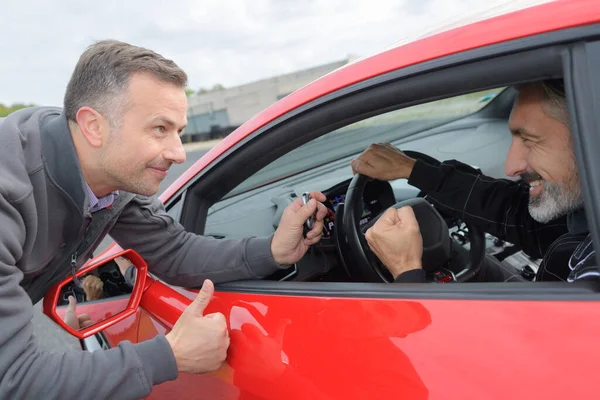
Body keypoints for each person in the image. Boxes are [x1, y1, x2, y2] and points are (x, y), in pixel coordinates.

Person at [0, 40, 327, 399]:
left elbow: (174, 251)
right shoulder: (10, 192)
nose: (178, 153)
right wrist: (169, 355)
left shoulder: (111, 177)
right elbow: (14, 379)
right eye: (160, 129)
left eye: (180, 131)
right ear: (93, 126)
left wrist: (273, 252)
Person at [351, 80, 599, 283]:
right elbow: (519, 217)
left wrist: (407, 271)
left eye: (531, 140)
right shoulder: (586, 215)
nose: (511, 167)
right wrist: (412, 169)